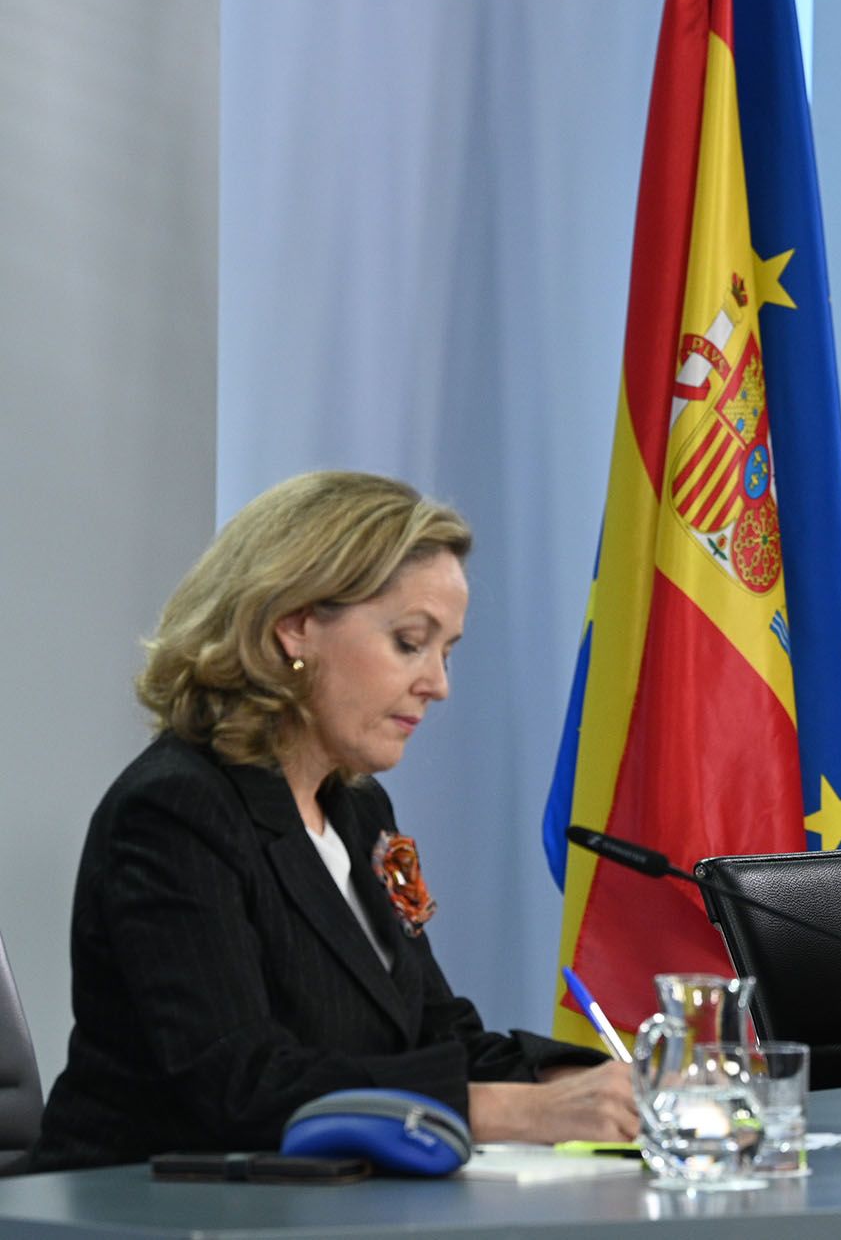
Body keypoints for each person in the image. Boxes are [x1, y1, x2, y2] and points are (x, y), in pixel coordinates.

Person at [31, 472, 638, 1170]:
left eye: (446, 651)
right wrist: (515, 1112)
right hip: (136, 1203)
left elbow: (433, 1035)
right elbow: (239, 1086)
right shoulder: (176, 809)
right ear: (295, 624)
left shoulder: (358, 809)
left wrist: (597, 1083)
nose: (438, 684)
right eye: (410, 642)